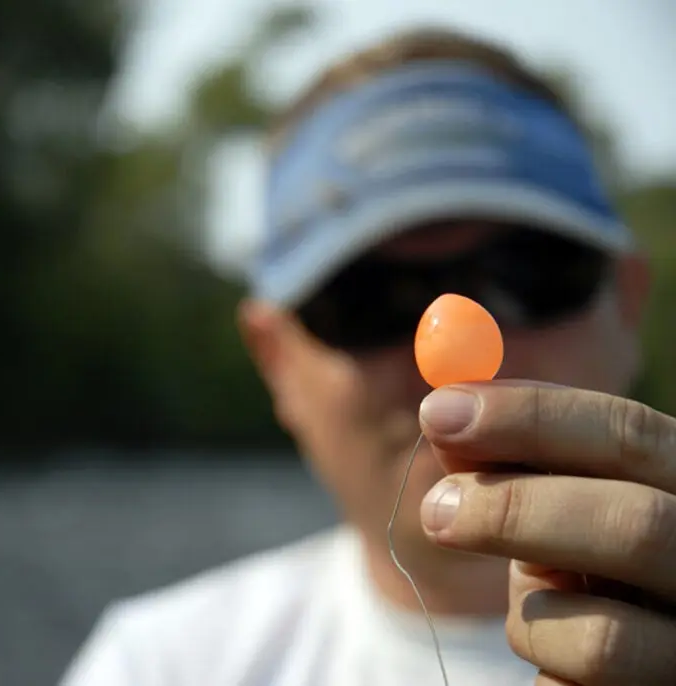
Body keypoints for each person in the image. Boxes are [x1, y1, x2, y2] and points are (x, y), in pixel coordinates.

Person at [60, 26, 676, 686]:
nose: (458, 371)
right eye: (364, 299)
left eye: (527, 276)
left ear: (628, 305)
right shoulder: (157, 666)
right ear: (276, 361)